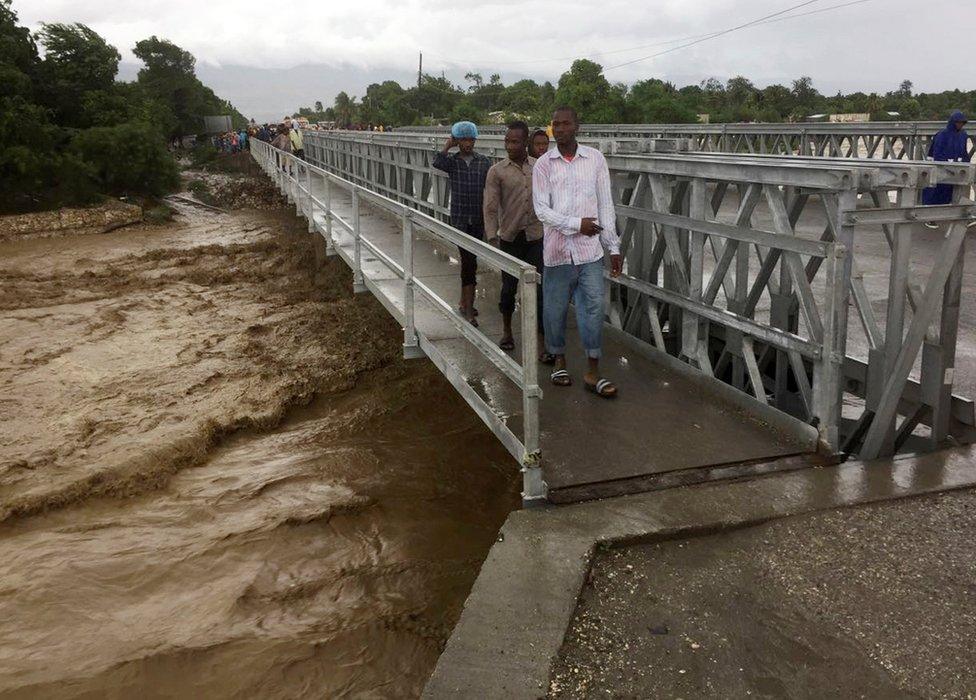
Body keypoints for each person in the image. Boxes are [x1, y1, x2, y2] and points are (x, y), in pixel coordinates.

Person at [532, 106, 622, 398]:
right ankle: (559, 360)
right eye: (555, 124)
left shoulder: (595, 159)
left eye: (565, 124)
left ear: (576, 126)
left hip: (590, 252)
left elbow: (605, 204)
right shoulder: (544, 165)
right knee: (554, 309)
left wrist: (614, 246)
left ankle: (592, 371)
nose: (559, 129)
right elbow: (541, 210)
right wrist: (576, 224)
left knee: (594, 309)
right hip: (557, 252)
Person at [483, 120, 553, 363]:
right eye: (507, 141)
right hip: (510, 237)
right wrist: (492, 238)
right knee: (509, 288)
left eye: (515, 141)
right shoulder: (497, 171)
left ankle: (542, 344)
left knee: (540, 291)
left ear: (526, 143)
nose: (510, 146)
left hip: (536, 236)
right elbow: (490, 208)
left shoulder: (540, 167)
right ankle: (507, 331)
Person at [433, 120, 492, 325]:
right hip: (459, 219)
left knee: (470, 261)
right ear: (457, 141)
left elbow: (492, 188)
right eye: (463, 139)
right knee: (468, 262)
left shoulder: (484, 162)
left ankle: (464, 301)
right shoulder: (453, 162)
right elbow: (437, 162)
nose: (468, 143)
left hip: (477, 218)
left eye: (470, 139)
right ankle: (468, 309)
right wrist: (448, 145)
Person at [922, 111, 971, 227]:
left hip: (956, 168)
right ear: (952, 122)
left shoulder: (963, 135)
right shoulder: (941, 134)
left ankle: (956, 216)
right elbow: (937, 153)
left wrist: (967, 164)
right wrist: (946, 166)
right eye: (958, 122)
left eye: (962, 123)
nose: (960, 125)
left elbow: (964, 152)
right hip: (940, 168)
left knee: (951, 192)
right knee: (935, 192)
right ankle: (928, 218)